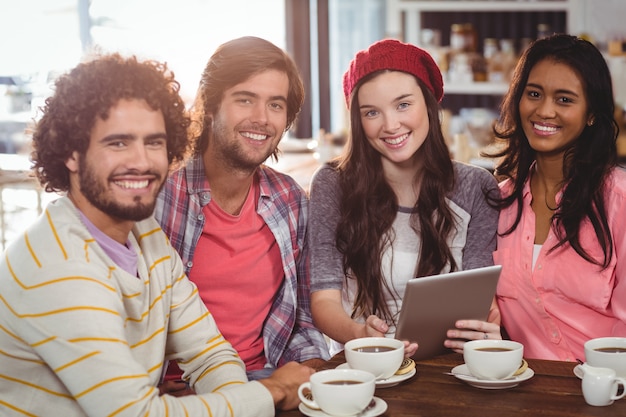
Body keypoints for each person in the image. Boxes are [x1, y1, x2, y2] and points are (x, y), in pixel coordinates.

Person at [0, 53, 314, 416]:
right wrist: (270, 392)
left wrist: (246, 401)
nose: (142, 161)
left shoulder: (144, 235)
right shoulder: (57, 265)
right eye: (118, 143)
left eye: (154, 143)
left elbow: (209, 352)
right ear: (71, 153)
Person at [308, 38, 501, 358]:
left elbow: (482, 298)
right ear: (358, 121)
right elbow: (324, 301)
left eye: (403, 104)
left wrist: (485, 327)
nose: (391, 125)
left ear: (429, 104)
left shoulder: (475, 187)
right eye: (372, 112)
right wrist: (360, 334)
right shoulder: (333, 184)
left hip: (447, 365)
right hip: (365, 363)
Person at [154, 36, 329, 386]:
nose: (261, 118)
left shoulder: (289, 200)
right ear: (211, 104)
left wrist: (313, 372)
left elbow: (302, 318)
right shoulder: (160, 193)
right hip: (178, 390)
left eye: (276, 105)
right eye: (245, 99)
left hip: (268, 378)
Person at [487, 34, 626, 362]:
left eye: (564, 99)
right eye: (534, 94)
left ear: (591, 113)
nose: (544, 111)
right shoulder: (499, 203)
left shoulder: (619, 201)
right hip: (520, 390)